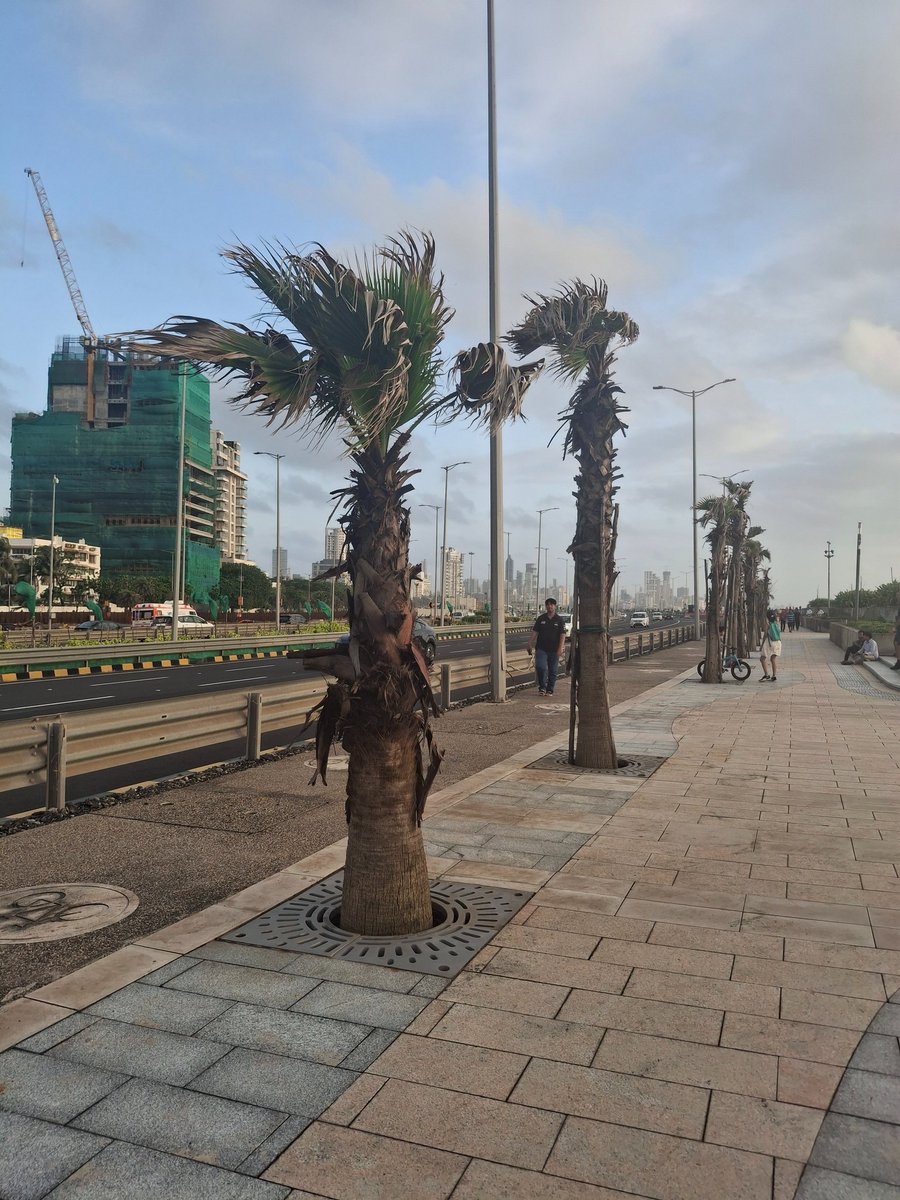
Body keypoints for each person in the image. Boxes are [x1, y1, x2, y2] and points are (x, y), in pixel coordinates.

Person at [528, 597, 567, 696]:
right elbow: (535, 632)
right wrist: (529, 643)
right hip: (541, 648)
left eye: (551, 604)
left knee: (553, 671)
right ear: (546, 606)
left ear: (555, 606)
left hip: (554, 649)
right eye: (548, 605)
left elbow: (562, 634)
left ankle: (550, 689)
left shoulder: (559, 620)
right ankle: (542, 687)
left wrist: (560, 648)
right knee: (541, 667)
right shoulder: (541, 618)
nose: (549, 606)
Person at [759, 610, 782, 681]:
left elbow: (765, 634)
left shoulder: (768, 624)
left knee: (762, 658)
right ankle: (774, 675)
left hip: (770, 642)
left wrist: (762, 645)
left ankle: (766, 674)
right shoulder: (777, 623)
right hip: (778, 642)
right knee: (773, 659)